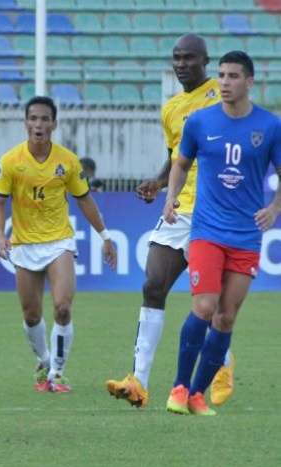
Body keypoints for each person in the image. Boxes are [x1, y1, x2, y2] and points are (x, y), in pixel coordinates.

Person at [105, 34, 234, 408]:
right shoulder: (171, 108)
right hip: (178, 208)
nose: (181, 64)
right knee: (152, 284)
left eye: (189, 58)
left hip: (214, 210)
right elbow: (177, 156)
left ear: (205, 61)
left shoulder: (221, 95)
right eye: (176, 58)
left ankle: (222, 364)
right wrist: (159, 182)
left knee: (209, 300)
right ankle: (138, 381)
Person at [163, 51, 281, 416]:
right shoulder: (200, 122)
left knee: (226, 317)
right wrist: (170, 199)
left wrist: (274, 208)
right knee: (204, 305)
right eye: (222, 75)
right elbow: (180, 163)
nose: (225, 83)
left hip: (246, 236)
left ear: (249, 82)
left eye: (232, 76)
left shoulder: (270, 126)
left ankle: (197, 394)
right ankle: (179, 388)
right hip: (207, 231)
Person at [0, 96, 117, 393]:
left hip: (59, 241)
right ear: (26, 123)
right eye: (33, 119)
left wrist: (105, 236)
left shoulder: (68, 161)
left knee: (62, 308)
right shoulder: (10, 161)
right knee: (31, 314)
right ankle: (44, 360)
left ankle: (58, 373)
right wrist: (0, 236)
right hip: (23, 244)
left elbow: (84, 200)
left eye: (45, 119)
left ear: (54, 124)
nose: (39, 124)